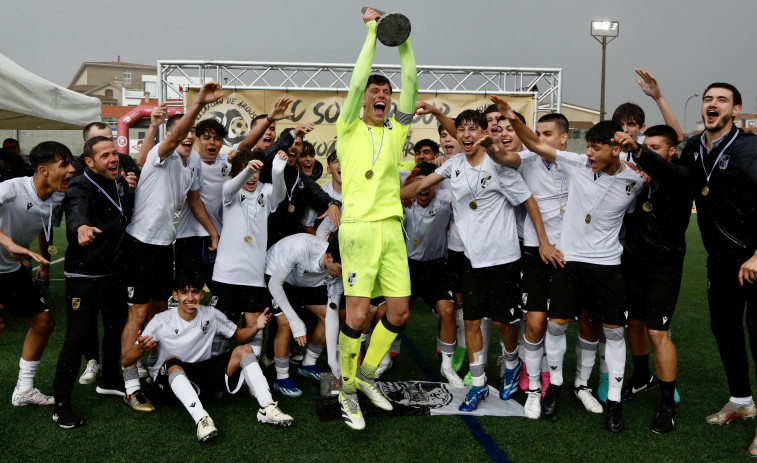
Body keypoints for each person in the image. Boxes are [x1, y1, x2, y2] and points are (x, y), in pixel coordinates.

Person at [492, 95, 643, 432]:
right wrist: (510, 116)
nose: (587, 153)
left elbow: (662, 180)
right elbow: (531, 143)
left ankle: (612, 401)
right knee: (555, 324)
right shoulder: (576, 163)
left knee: (611, 332)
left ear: (615, 150)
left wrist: (642, 160)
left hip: (608, 266)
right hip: (570, 262)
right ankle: (554, 387)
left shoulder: (635, 180)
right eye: (586, 147)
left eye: (595, 148)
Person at [401, 109, 560, 412]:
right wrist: (395, 195)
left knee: (503, 322)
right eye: (461, 130)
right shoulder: (454, 164)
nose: (466, 135)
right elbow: (421, 186)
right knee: (472, 321)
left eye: (473, 129)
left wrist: (544, 242)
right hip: (472, 260)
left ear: (484, 132)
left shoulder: (498, 165)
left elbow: (528, 201)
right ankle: (478, 385)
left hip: (504, 258)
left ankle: (512, 364)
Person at [335, 7, 418, 431]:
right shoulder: (348, 127)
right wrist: (372, 32)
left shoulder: (398, 130)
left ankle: (366, 375)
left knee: (400, 313)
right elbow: (355, 82)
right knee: (356, 315)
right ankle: (346, 391)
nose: (381, 94)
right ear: (364, 99)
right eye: (374, 90)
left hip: (390, 229)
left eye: (385, 90)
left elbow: (413, 84)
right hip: (357, 231)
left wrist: (399, 37)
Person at [120, 82, 224, 413]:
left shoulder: (192, 162)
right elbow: (175, 136)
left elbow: (193, 198)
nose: (190, 136)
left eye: (195, 131)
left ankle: (153, 369)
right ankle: (130, 384)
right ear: (173, 134)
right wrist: (198, 104)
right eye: (186, 131)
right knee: (136, 314)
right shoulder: (159, 154)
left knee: (157, 311)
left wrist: (213, 232)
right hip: (141, 244)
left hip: (167, 245)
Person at [676, 83, 757, 455]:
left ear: (735, 110)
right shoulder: (694, 147)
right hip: (720, 260)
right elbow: (675, 169)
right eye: (709, 99)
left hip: (753, 259)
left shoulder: (751, 148)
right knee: (724, 330)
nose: (713, 104)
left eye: (721, 100)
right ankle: (741, 401)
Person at [123, 274, 292, 442]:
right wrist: (139, 348)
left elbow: (240, 336)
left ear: (202, 295)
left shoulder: (211, 314)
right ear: (175, 295)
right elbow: (126, 360)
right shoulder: (161, 321)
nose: (190, 298)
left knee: (244, 350)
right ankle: (202, 419)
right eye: (184, 293)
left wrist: (256, 326)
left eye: (195, 292)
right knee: (173, 360)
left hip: (201, 374)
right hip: (168, 383)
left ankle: (267, 407)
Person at [51, 136, 136, 428]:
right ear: (89, 162)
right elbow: (76, 214)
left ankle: (110, 379)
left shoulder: (121, 183)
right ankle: (61, 403)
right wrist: (81, 227)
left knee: (115, 330)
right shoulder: (79, 186)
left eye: (114, 153)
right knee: (76, 338)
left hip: (114, 272)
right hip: (84, 276)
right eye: (104, 156)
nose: (113, 159)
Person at [615, 125, 692, 433]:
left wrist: (638, 151)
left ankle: (667, 404)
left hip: (665, 265)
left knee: (657, 332)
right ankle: (642, 376)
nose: (650, 153)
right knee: (633, 324)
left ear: (671, 151)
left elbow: (659, 168)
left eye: (656, 148)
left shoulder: (680, 177)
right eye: (649, 147)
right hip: (632, 262)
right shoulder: (638, 179)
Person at [0, 141, 74, 407]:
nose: (71, 170)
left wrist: (45, 262)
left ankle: (24, 389)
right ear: (43, 169)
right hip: (9, 258)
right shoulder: (12, 188)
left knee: (44, 322)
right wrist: (8, 243)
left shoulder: (57, 197)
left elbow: (45, 228)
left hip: (9, 269)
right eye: (64, 164)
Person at [210, 149, 286, 356]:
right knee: (223, 323)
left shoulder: (266, 190)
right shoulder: (229, 189)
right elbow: (231, 187)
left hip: (253, 275)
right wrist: (246, 170)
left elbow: (280, 196)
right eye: (246, 171)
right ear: (237, 173)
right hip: (226, 273)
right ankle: (216, 365)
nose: (252, 177)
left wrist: (278, 171)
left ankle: (253, 372)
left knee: (256, 325)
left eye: (256, 171)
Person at [401, 161, 462, 387]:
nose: (424, 189)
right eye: (419, 184)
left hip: (437, 267)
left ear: (437, 185)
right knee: (397, 313)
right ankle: (387, 358)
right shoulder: (403, 202)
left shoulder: (446, 200)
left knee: (448, 311)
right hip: (407, 267)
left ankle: (447, 366)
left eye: (430, 184)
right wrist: (400, 196)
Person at [264, 233, 344, 396]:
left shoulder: (338, 272)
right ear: (329, 257)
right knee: (286, 322)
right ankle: (281, 378)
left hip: (305, 282)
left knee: (329, 316)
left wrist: (332, 361)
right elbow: (274, 284)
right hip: (276, 278)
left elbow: (332, 313)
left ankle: (308, 364)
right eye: (340, 270)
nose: (342, 275)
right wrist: (295, 322)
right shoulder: (300, 248)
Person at [174, 118, 227, 287]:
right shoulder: (189, 161)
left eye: (217, 138)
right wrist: (213, 233)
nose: (212, 142)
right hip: (191, 237)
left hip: (217, 238)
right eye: (206, 137)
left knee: (221, 292)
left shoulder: (228, 163)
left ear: (222, 142)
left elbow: (248, 144)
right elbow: (193, 200)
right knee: (189, 293)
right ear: (197, 140)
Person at [73, 122, 141, 178]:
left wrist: (132, 188)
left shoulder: (125, 160)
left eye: (110, 140)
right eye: (100, 140)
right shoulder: (76, 168)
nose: (113, 160)